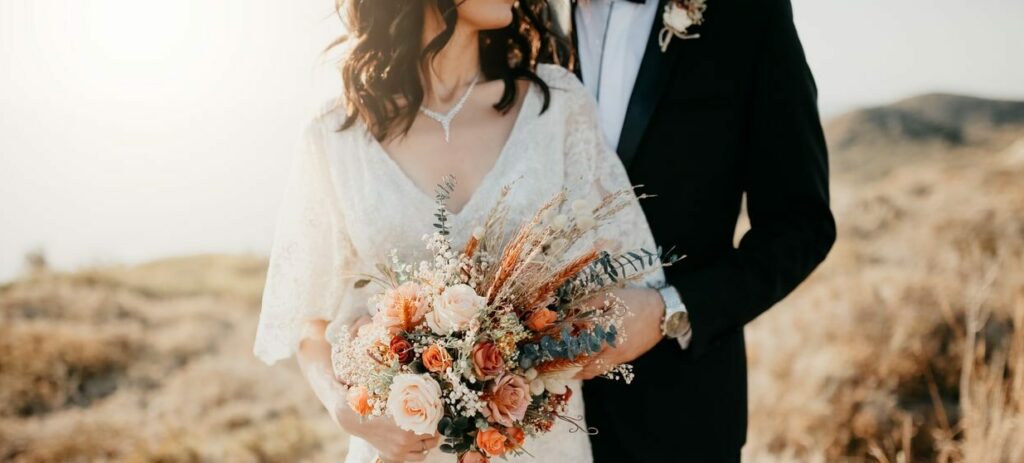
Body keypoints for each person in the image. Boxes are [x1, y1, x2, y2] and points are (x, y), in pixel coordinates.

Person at [252, 0, 665, 461]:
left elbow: (636, 279)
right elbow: (311, 322)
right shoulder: (336, 136)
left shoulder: (558, 106)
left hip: (540, 449)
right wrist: (344, 408)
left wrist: (538, 346)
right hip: (399, 449)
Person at [566, 0, 837, 461]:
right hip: (527, 420)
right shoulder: (517, 16)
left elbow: (800, 223)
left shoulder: (750, 14)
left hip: (679, 419)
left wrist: (669, 311)